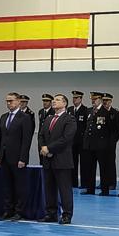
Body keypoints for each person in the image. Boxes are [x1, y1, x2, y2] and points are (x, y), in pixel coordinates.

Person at [0, 92, 34, 221]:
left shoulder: (25, 117)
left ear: (18, 101)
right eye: (7, 101)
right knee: (6, 186)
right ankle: (8, 210)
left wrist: (23, 158)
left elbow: (26, 140)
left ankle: (19, 211)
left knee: (19, 186)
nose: (8, 103)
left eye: (11, 101)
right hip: (4, 157)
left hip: (17, 158)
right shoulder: (3, 117)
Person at [38, 94, 76, 225]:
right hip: (48, 160)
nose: (54, 101)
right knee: (49, 188)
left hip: (62, 159)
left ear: (65, 103)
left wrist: (49, 148)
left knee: (64, 189)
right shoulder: (48, 119)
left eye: (58, 99)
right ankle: (51, 213)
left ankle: (66, 215)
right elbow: (41, 135)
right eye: (54, 99)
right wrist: (43, 147)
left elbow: (66, 139)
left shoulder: (69, 119)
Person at [81, 92, 116, 196]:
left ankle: (105, 190)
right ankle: (90, 188)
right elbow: (87, 127)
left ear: (100, 99)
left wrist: (109, 144)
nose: (93, 101)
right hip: (90, 144)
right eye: (92, 99)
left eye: (95, 99)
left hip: (102, 145)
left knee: (103, 168)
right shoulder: (89, 111)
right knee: (90, 168)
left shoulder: (106, 112)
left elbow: (112, 130)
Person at [67, 90, 88, 188]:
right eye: (73, 98)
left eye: (76, 98)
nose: (74, 100)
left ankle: (84, 183)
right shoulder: (70, 110)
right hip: (72, 141)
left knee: (84, 163)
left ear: (81, 99)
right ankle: (73, 182)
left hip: (82, 141)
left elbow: (86, 126)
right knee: (72, 163)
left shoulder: (85, 110)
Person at [102, 93, 119, 190]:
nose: (105, 102)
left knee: (110, 163)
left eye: (107, 100)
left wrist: (114, 141)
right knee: (102, 164)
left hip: (111, 142)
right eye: (104, 100)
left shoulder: (115, 113)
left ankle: (112, 183)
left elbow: (118, 129)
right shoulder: (99, 112)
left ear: (111, 101)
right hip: (101, 143)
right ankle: (103, 183)